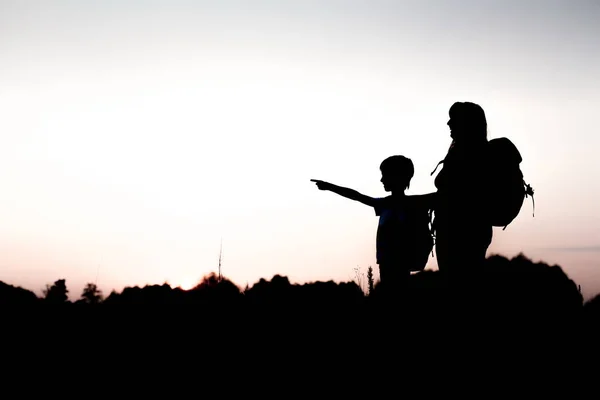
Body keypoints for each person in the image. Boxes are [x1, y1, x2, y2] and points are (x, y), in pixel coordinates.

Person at [311, 155, 433, 295]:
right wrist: (330, 187)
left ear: (397, 177)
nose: (382, 180)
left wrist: (329, 187)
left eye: (385, 175)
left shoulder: (403, 203)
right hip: (387, 263)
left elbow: (357, 196)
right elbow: (356, 195)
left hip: (397, 263)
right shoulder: (394, 203)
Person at [427, 101, 493, 280]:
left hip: (459, 233)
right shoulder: (463, 152)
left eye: (453, 120)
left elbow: (458, 195)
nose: (448, 124)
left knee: (459, 286)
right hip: (464, 231)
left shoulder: (469, 154)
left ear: (467, 124)